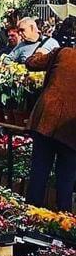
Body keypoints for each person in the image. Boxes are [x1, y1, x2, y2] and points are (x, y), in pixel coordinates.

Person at [25, 17, 76, 211]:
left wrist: (41, 48)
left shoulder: (62, 53)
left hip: (46, 118)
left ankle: (30, 219)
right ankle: (63, 221)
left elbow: (31, 62)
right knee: (66, 177)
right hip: (71, 127)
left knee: (39, 170)